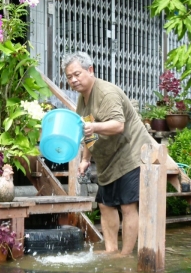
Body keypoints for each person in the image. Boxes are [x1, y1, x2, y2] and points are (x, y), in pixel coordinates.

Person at [61, 51, 154, 255]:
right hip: (107, 159)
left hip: (130, 152)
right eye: (69, 77)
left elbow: (118, 125)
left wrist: (93, 127)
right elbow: (86, 129)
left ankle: (125, 254)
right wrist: (85, 159)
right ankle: (112, 250)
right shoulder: (82, 100)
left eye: (77, 74)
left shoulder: (106, 93)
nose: (73, 80)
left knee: (128, 205)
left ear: (90, 70)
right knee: (104, 204)